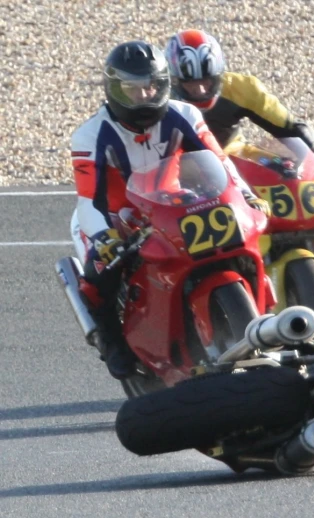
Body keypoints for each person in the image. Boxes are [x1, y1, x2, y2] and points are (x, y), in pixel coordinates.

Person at [70, 40, 267, 380]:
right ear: (114, 89)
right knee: (99, 273)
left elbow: (221, 164)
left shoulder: (185, 114)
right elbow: (90, 198)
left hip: (174, 204)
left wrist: (247, 197)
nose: (144, 96)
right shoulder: (89, 135)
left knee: (239, 238)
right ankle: (112, 341)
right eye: (133, 90)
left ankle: (264, 315)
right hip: (120, 218)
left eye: (151, 87)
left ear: (164, 84)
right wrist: (104, 236)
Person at [163, 29, 314, 186]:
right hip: (178, 164)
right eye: (191, 83)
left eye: (207, 81)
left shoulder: (243, 88)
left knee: (287, 172)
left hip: (234, 154)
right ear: (175, 81)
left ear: (219, 75)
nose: (201, 90)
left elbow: (293, 128)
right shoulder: (160, 100)